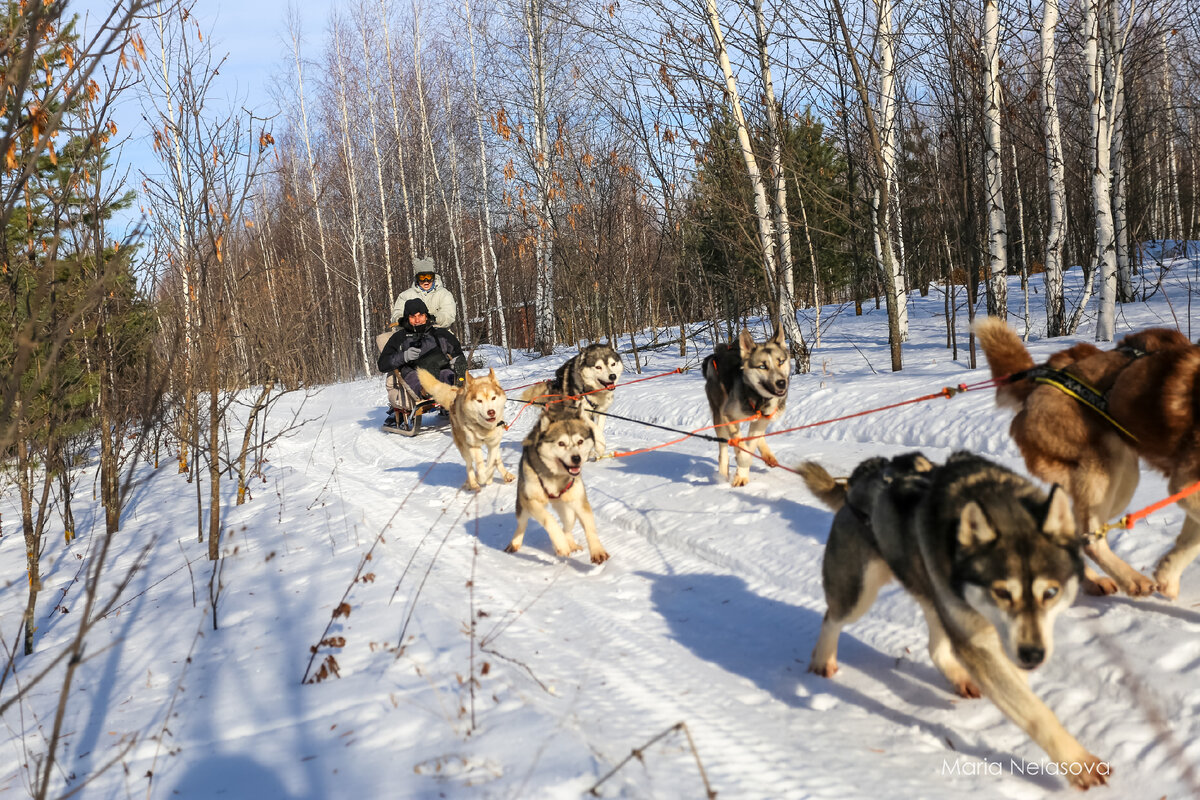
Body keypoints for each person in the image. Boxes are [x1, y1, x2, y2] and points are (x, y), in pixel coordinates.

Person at [378, 298, 466, 401]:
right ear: (407, 318)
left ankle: (456, 393)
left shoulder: (440, 333)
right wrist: (404, 356)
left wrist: (457, 361)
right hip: (414, 372)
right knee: (417, 379)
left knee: (448, 375)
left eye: (421, 315)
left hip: (441, 368)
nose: (417, 320)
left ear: (426, 316)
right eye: (412, 317)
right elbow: (382, 364)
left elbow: (457, 352)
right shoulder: (399, 337)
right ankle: (426, 391)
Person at [389, 256, 457, 329]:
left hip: (438, 333)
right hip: (411, 333)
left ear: (433, 277)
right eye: (422, 277)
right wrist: (401, 320)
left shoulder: (444, 294)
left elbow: (449, 314)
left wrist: (433, 318)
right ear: (417, 278)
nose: (426, 281)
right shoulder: (405, 295)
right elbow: (396, 313)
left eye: (429, 276)